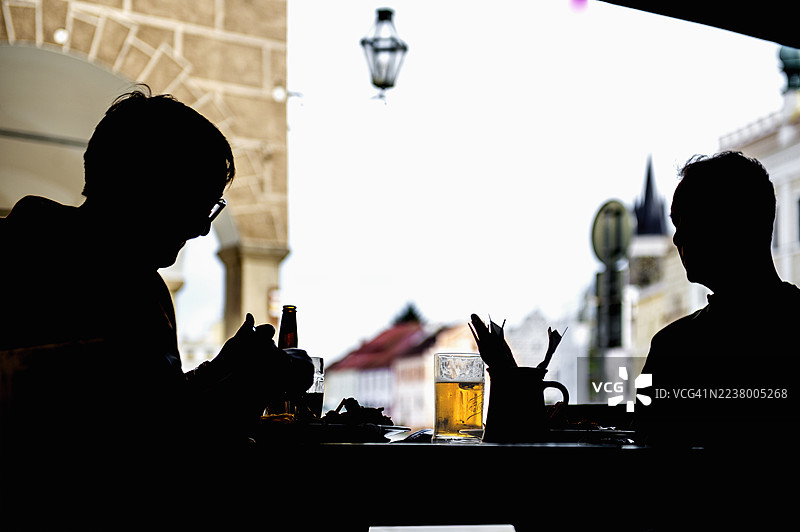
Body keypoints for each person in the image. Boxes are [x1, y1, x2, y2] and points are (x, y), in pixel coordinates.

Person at [0, 86, 312, 527]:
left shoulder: (110, 268)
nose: (204, 228)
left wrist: (220, 370)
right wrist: (253, 383)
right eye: (197, 201)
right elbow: (154, 459)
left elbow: (145, 403)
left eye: (212, 207)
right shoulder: (102, 282)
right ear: (146, 186)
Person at [636, 151, 800, 448]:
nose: (676, 238)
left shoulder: (672, 348)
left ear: (728, 223)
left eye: (686, 220)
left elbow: (646, 443)